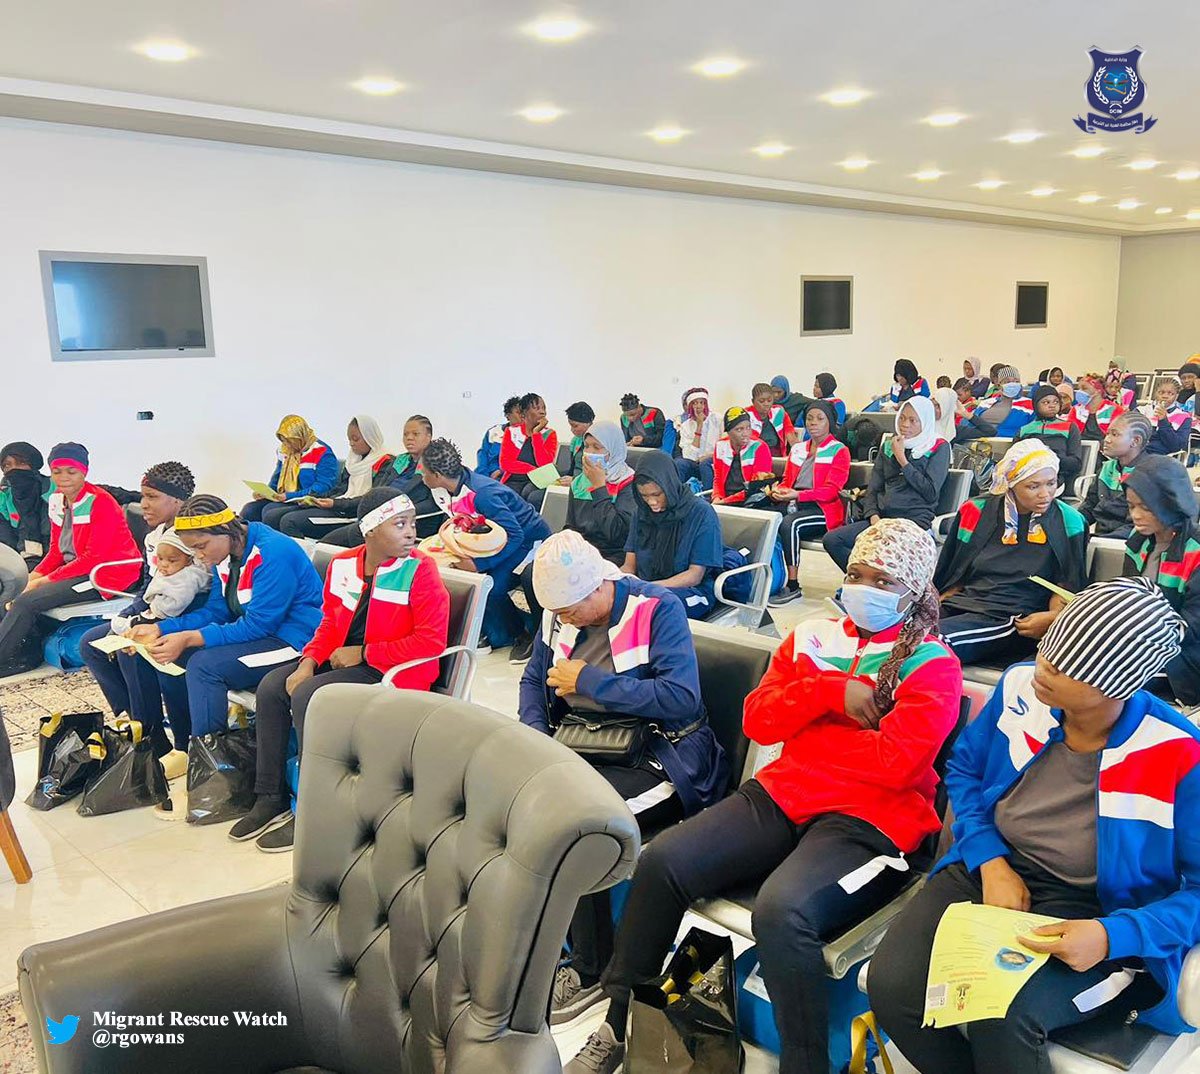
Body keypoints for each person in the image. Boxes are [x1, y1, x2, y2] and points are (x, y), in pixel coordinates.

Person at [565, 520, 962, 1074]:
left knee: (783, 911)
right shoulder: (811, 637)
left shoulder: (933, 665)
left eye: (883, 580)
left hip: (870, 823)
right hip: (784, 793)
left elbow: (896, 766)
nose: (864, 588)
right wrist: (828, 693)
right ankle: (618, 1014)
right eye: (856, 574)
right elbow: (759, 720)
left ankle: (805, 1064)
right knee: (662, 861)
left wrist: (810, 730)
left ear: (915, 590)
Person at [869, 578, 1198, 1074]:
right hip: (987, 864)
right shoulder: (1023, 685)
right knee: (892, 989)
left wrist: (1112, 936)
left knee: (1002, 1015)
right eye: (1048, 647)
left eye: (1066, 667)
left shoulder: (1178, 752)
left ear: (1116, 686)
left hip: (1094, 907)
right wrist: (991, 861)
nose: (1044, 666)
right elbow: (964, 769)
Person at [520, 531, 728, 1033]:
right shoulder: (557, 613)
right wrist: (535, 739)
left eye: (570, 610)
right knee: (529, 807)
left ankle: (593, 969)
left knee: (580, 828)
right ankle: (563, 944)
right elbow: (533, 679)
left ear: (597, 588)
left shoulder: (658, 609)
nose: (562, 620)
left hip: (665, 758)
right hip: (588, 745)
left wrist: (588, 683)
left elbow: (680, 699)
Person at [229, 488, 451, 852]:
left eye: (412, 523)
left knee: (308, 697)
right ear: (371, 530)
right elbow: (330, 625)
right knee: (273, 686)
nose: (411, 532)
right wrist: (308, 661)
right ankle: (269, 795)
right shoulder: (344, 564)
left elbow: (431, 643)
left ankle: (315, 809)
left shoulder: (420, 569)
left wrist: (364, 652)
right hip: (348, 659)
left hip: (394, 670)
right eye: (400, 524)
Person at [129, 495, 324, 755]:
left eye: (201, 546)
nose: (199, 556)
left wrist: (189, 638)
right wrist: (162, 629)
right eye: (193, 550)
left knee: (205, 667)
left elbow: (259, 626)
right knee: (165, 655)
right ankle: (183, 747)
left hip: (293, 641)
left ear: (225, 530)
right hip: (260, 634)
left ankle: (211, 762)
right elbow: (217, 611)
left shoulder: (273, 552)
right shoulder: (227, 554)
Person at [80, 462, 201, 773]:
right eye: (143, 496)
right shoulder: (156, 535)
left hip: (185, 615)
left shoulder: (192, 539)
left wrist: (140, 625)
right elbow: (148, 585)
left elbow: (189, 595)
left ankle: (152, 736)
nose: (142, 504)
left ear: (177, 501)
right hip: (154, 611)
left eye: (151, 497)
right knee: (90, 644)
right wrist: (130, 614)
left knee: (131, 651)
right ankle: (132, 719)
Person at [935, 440, 1088, 666]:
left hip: (1012, 615)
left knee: (930, 644)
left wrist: (1054, 619)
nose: (1045, 494)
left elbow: (1068, 582)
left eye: (1051, 483)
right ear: (1012, 483)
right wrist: (940, 596)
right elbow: (954, 565)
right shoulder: (975, 510)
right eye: (1033, 486)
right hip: (965, 603)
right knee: (892, 632)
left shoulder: (1070, 521)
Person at [0, 443, 141, 672]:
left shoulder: (100, 501)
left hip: (107, 575)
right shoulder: (57, 499)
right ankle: (18, 650)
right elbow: (56, 550)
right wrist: (32, 577)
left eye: (71, 472)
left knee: (27, 601)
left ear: (84, 472)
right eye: (57, 472)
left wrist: (41, 582)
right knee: (14, 587)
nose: (64, 478)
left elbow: (92, 558)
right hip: (78, 569)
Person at [421, 437, 550, 655]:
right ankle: (494, 630)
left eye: (423, 472)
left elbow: (516, 534)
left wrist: (480, 563)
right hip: (499, 540)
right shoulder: (447, 488)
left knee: (491, 587)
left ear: (437, 475)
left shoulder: (483, 494)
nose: (421, 476)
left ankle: (521, 632)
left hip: (529, 541)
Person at [519, 421, 637, 658]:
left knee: (583, 582)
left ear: (613, 451)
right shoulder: (580, 483)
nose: (590, 454)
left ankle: (585, 642)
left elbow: (617, 532)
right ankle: (540, 635)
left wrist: (599, 487)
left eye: (597, 447)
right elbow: (571, 525)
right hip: (582, 550)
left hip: (612, 553)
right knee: (533, 572)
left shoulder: (629, 484)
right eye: (587, 446)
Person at [823, 397, 950, 572]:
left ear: (925, 422)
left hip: (913, 521)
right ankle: (862, 580)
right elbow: (874, 487)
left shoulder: (938, 447)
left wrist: (903, 461)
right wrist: (873, 515)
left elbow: (930, 492)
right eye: (902, 418)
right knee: (833, 540)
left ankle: (876, 584)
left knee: (885, 548)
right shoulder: (889, 445)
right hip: (882, 517)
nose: (905, 424)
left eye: (913, 420)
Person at [1123, 455, 1200, 706]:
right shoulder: (1139, 542)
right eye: (1131, 506)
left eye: (1145, 507)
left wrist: (1141, 635)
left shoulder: (1195, 552)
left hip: (1184, 659)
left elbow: (1191, 627)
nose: (1135, 515)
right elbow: (1127, 597)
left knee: (1104, 678)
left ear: (1169, 503)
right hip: (1143, 645)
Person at [766, 401, 851, 606]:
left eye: (820, 419)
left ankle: (793, 585)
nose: (813, 423)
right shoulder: (798, 449)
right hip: (795, 502)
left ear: (829, 422)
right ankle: (766, 579)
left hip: (823, 508)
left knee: (790, 524)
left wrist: (797, 496)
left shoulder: (839, 450)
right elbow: (788, 479)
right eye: (810, 419)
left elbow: (831, 490)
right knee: (766, 516)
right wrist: (781, 490)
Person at [624, 452, 723, 621]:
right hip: (646, 588)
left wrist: (648, 588)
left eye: (657, 495)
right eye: (644, 496)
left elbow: (694, 575)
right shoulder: (641, 513)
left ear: (669, 486)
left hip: (691, 590)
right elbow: (629, 566)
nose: (651, 502)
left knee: (657, 609)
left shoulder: (701, 513)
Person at [276, 415, 394, 540]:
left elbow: (372, 499)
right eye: (349, 439)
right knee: (276, 515)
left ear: (370, 437)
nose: (351, 444)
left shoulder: (385, 461)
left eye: (355, 439)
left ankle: (300, 558)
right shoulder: (354, 460)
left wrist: (335, 503)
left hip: (353, 514)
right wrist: (314, 498)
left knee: (289, 521)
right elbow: (341, 489)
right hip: (339, 507)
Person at [240, 415, 338, 527]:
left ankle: (272, 543)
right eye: (283, 441)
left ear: (299, 437)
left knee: (270, 512)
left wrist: (290, 495)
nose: (286, 445)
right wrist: (267, 492)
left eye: (289, 441)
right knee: (249, 509)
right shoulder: (285, 450)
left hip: (306, 500)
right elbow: (277, 477)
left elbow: (323, 487)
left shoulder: (322, 452)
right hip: (285, 498)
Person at [1081, 411, 1151, 538]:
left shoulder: (1149, 474)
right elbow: (1090, 507)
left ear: (1135, 441)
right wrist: (1070, 525)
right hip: (1101, 537)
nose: (1106, 440)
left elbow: (1136, 526)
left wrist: (1097, 541)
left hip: (1128, 544)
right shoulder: (1106, 468)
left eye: (1115, 434)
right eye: (1107, 433)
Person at [1014, 384, 1084, 494]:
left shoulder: (1069, 427)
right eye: (1046, 402)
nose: (1052, 405)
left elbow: (1075, 463)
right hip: (1028, 477)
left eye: (1056, 402)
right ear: (1036, 405)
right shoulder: (1024, 430)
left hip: (1056, 477)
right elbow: (1014, 459)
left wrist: (1049, 458)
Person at [500, 392, 558, 507]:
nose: (542, 412)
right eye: (537, 408)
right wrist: (531, 469)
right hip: (514, 479)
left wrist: (536, 434)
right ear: (523, 414)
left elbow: (544, 464)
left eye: (543, 408)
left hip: (537, 481)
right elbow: (505, 463)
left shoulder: (549, 434)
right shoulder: (512, 432)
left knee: (529, 496)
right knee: (506, 497)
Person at [712, 406, 775, 505]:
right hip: (725, 499)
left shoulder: (759, 447)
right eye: (739, 429)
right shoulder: (721, 445)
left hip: (750, 500)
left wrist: (724, 502)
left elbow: (756, 488)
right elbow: (718, 478)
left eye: (748, 427)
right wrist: (717, 497)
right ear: (728, 432)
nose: (745, 433)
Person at [0, 442, 50, 563]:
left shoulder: (52, 491)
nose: (13, 469)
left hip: (57, 564)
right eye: (7, 465)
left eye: (21, 463)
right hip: (18, 566)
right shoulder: (4, 498)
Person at [955, 365, 1032, 440]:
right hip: (979, 443)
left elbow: (1031, 430)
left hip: (1010, 444)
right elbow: (967, 423)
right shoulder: (986, 403)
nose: (1012, 384)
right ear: (999, 385)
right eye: (1007, 381)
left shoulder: (1030, 405)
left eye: (1016, 381)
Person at [674, 388, 723, 490]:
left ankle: (708, 497)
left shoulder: (718, 419)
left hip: (714, 462)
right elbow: (689, 456)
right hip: (695, 463)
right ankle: (677, 495)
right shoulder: (686, 426)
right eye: (695, 403)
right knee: (679, 463)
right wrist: (699, 426)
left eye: (702, 402)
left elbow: (726, 446)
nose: (699, 406)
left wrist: (709, 456)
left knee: (705, 464)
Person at [1141, 376, 1193, 456]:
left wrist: (1163, 422)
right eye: (1161, 392)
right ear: (1155, 393)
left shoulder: (1184, 417)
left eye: (1170, 393)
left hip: (1160, 456)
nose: (1165, 396)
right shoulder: (1141, 411)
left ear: (1176, 395)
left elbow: (1176, 446)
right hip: (1136, 452)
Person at [1069, 374, 1128, 441]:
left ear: (1098, 391)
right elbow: (1070, 434)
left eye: (1084, 388)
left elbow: (1117, 436)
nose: (1079, 391)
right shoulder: (1076, 410)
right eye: (1079, 388)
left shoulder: (1115, 410)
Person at [477, 396, 522, 478]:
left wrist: (501, 471)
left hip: (509, 476)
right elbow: (483, 454)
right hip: (489, 474)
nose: (522, 416)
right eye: (518, 412)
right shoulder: (494, 432)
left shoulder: (528, 435)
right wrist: (483, 477)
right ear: (508, 416)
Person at [747, 382, 796, 457]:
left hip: (777, 457)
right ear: (753, 401)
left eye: (769, 400)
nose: (766, 404)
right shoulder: (747, 416)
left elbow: (790, 435)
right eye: (761, 401)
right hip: (754, 456)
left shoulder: (779, 412)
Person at [560, 401, 596, 480]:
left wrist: (574, 480)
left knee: (537, 493)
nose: (572, 430)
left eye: (575, 426)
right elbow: (572, 468)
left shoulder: (598, 442)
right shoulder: (576, 440)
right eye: (571, 426)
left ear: (588, 423)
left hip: (586, 483)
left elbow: (597, 475)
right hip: (574, 478)